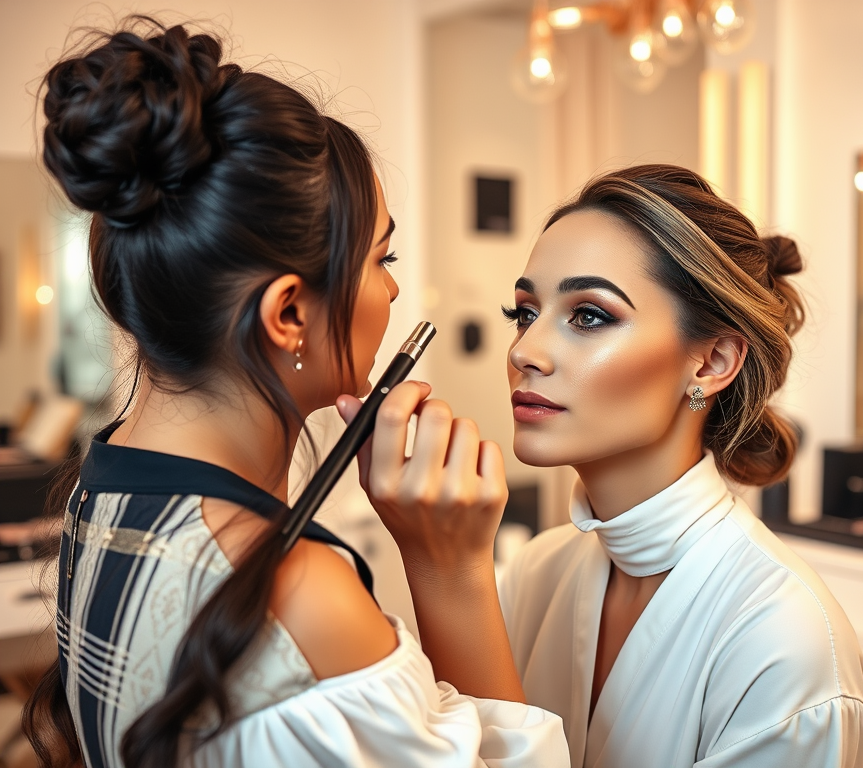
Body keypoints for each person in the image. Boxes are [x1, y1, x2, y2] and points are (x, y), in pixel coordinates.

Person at [24, 18, 569, 768]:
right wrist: (451, 567)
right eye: (383, 257)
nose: (393, 287)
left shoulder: (103, 486)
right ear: (287, 315)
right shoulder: (302, 600)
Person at [498, 165, 863, 768]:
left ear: (711, 362)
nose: (524, 351)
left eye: (589, 315)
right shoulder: (532, 574)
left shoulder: (784, 646)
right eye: (524, 312)